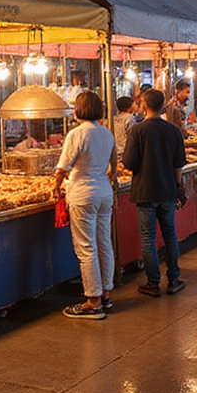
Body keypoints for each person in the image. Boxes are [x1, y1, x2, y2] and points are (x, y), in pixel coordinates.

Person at [55, 92, 119, 319]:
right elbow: (114, 165)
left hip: (83, 194)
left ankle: (92, 301)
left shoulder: (77, 134)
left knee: (86, 248)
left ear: (78, 109)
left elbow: (63, 167)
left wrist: (56, 187)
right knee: (104, 243)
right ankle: (106, 294)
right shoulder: (107, 133)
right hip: (104, 192)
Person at [122, 89, 187, 297]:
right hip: (168, 189)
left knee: (148, 238)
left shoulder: (137, 131)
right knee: (170, 234)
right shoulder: (174, 131)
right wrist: (178, 186)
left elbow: (129, 163)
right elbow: (179, 164)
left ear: (144, 104)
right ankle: (174, 279)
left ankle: (153, 282)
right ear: (163, 106)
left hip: (145, 191)